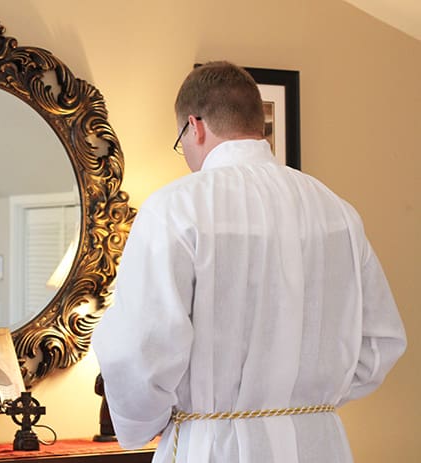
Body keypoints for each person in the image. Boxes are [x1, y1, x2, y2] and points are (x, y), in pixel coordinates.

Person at [91, 61, 406, 463]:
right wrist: (308, 401)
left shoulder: (177, 207)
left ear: (195, 127)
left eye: (181, 141)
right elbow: (381, 341)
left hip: (214, 445)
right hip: (319, 443)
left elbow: (141, 345)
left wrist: (141, 421)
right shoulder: (336, 211)